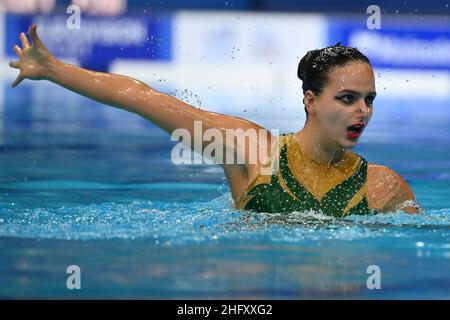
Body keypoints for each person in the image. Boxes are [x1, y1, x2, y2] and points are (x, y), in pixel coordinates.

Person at [9, 24, 420, 216]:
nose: (362, 111)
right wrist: (53, 69)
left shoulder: (383, 185)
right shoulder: (253, 150)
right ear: (311, 100)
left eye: (368, 99)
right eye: (347, 99)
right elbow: (141, 99)